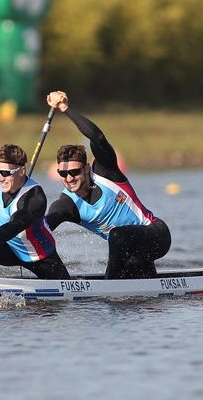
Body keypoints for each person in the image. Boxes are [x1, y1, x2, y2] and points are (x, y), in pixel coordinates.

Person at [44, 91, 171, 279]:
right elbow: (41, 230)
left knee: (117, 235)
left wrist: (65, 108)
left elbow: (98, 138)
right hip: (130, 253)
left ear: (87, 169)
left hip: (156, 236)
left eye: (75, 172)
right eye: (63, 173)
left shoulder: (106, 172)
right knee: (140, 299)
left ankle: (109, 285)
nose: (69, 178)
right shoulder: (66, 205)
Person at [0, 90, 70, 280]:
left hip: (40, 257)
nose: (0, 178)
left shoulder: (35, 196)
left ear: (22, 171)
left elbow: (18, 223)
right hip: (10, 249)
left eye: (6, 173)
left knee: (56, 304)